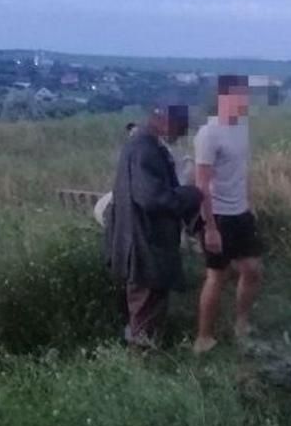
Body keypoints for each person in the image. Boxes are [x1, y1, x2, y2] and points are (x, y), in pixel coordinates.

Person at [104, 102, 202, 347]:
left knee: (144, 307)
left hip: (138, 240)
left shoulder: (140, 145)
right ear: (164, 120)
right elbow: (152, 199)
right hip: (145, 243)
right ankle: (142, 366)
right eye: (181, 127)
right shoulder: (145, 149)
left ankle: (142, 358)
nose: (181, 134)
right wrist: (191, 194)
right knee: (146, 310)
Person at [193, 75, 263, 354]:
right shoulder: (209, 134)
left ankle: (241, 323)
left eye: (246, 97)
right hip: (218, 216)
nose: (245, 102)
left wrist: (249, 203)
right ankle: (204, 338)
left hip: (241, 212)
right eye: (240, 97)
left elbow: (242, 171)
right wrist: (209, 227)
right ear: (224, 98)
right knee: (216, 276)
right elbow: (202, 185)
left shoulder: (242, 127)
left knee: (253, 270)